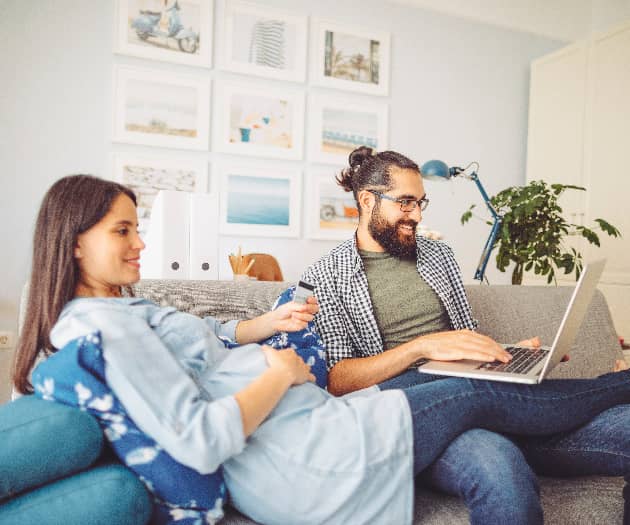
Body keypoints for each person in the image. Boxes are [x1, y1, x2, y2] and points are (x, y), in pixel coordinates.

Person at [13, 174, 630, 525]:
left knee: (488, 389)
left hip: (312, 432)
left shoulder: (124, 309)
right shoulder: (105, 326)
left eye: (137, 227)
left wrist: (261, 326)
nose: (140, 243)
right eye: (123, 230)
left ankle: (564, 383)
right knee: (476, 396)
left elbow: (202, 344)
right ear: (71, 242)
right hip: (308, 451)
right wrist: (279, 373)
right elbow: (199, 435)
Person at [301, 146, 630, 524]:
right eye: (406, 203)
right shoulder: (326, 277)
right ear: (366, 200)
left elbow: (463, 336)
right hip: (419, 411)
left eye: (421, 202)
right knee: (502, 473)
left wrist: (502, 353)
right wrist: (420, 347)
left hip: (480, 391)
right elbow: (339, 380)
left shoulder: (438, 256)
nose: (417, 215)